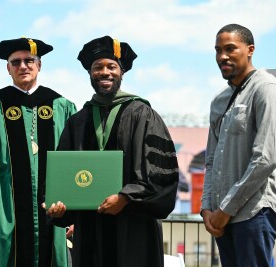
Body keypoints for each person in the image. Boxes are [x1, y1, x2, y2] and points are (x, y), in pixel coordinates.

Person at [44, 35, 179, 267]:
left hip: (133, 228)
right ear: (90, 73)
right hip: (89, 230)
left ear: (122, 72)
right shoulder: (78, 121)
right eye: (98, 67)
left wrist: (126, 198)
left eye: (111, 66)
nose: (105, 72)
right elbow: (64, 176)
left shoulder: (142, 114)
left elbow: (161, 176)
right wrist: (59, 207)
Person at [0, 37, 77, 266]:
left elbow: (74, 160)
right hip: (3, 209)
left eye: (29, 60)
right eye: (16, 62)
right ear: (8, 68)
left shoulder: (62, 106)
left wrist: (75, 209)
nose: (23, 66)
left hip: (54, 210)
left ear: (39, 65)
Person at [200, 24, 276, 267]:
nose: (222, 56)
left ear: (250, 49)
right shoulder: (220, 100)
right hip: (221, 216)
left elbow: (265, 159)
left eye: (230, 49)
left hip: (255, 211)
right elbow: (210, 161)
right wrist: (207, 209)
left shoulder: (268, 90)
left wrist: (226, 210)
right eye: (218, 50)